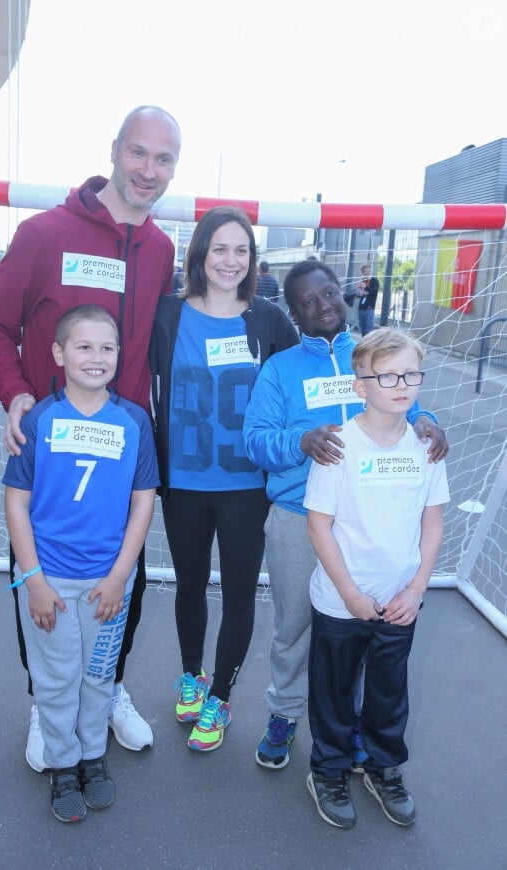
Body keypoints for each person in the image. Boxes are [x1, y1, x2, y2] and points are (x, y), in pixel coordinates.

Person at [0, 105, 182, 771]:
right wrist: (15, 394)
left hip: (123, 449)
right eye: (139, 154)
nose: (149, 171)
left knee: (125, 582)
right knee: (40, 583)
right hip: (54, 456)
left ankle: (107, 688)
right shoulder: (44, 233)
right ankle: (47, 701)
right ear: (114, 151)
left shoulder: (161, 249)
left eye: (164, 159)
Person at [243, 258, 448, 771]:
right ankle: (285, 715)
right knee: (294, 627)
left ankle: (350, 722)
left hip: (366, 522)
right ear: (293, 313)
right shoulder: (281, 369)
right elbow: (256, 441)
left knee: (360, 629)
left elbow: (404, 396)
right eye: (307, 302)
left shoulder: (370, 355)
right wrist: (301, 440)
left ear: (343, 292)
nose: (322, 307)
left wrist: (429, 422)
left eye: (328, 294)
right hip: (298, 517)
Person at [149, 206, 298, 752]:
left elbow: (303, 379)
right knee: (188, 585)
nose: (230, 260)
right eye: (220, 249)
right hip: (183, 482)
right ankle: (193, 674)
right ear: (200, 254)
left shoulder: (269, 320)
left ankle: (222, 697)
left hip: (245, 487)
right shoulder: (166, 315)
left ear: (253, 260)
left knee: (239, 593)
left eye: (242, 250)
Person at [3, 305, 158, 822]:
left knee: (98, 676)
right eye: (84, 346)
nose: (96, 357)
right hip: (50, 578)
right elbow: (16, 503)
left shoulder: (134, 420)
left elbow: (143, 501)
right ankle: (62, 764)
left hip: (106, 582)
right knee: (54, 677)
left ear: (119, 354)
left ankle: (93, 756)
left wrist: (120, 576)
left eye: (107, 347)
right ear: (59, 353)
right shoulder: (40, 419)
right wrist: (33, 580)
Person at [304, 326, 449, 829]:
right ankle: (328, 769)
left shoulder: (426, 446)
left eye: (410, 372)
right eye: (387, 375)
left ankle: (383, 767)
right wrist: (349, 593)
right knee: (334, 693)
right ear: (361, 386)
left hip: (400, 602)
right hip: (341, 602)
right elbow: (318, 525)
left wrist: (416, 589)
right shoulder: (338, 446)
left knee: (389, 693)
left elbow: (433, 521)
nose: (401, 383)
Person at [355, 263, 380, 336]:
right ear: (363, 272)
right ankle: (364, 346)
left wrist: (365, 287)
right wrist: (359, 293)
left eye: (369, 271)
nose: (367, 273)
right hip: (361, 308)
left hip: (369, 308)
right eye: (365, 271)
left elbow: (374, 292)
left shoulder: (374, 280)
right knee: (362, 329)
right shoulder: (362, 281)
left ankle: (369, 346)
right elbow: (359, 295)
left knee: (368, 330)